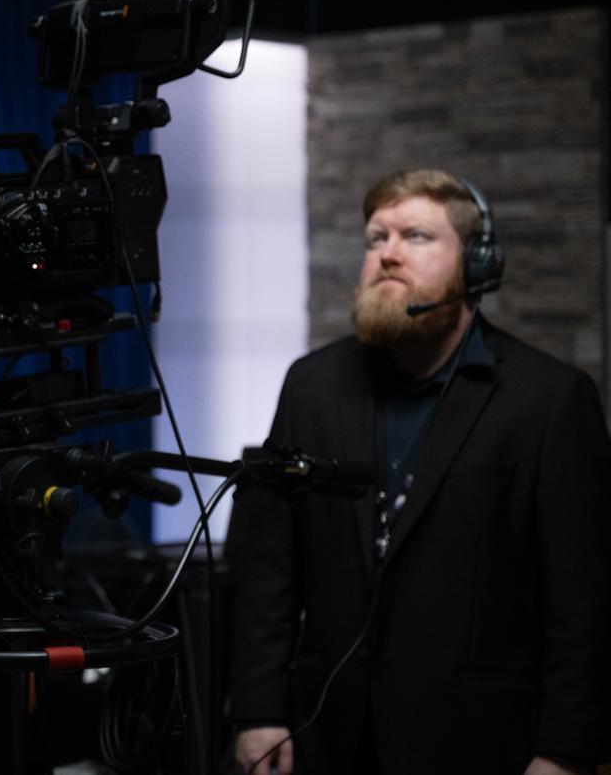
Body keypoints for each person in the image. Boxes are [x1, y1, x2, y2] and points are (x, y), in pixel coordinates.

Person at [229, 169, 611, 774]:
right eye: (376, 238)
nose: (388, 253)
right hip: (329, 739)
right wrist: (258, 711)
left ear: (478, 267)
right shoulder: (312, 386)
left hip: (483, 744)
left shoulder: (550, 400)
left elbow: (584, 599)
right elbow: (267, 568)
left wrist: (565, 751)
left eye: (416, 236)